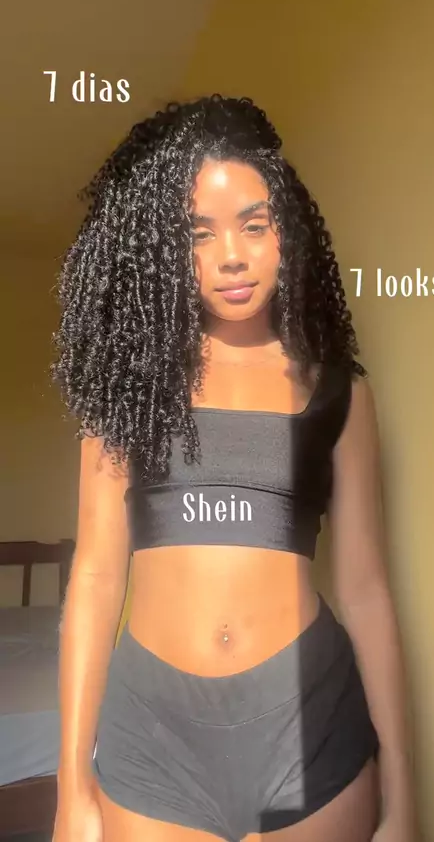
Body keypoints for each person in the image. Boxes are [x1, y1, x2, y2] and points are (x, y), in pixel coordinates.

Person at [50, 94, 415, 842]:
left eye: (254, 224)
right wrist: (69, 786)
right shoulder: (128, 387)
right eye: (199, 234)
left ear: (289, 231)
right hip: (153, 738)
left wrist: (405, 794)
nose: (232, 256)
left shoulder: (339, 391)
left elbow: (367, 589)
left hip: (309, 727)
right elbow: (94, 577)